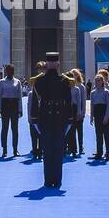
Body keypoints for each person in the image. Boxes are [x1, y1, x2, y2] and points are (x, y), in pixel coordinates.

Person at [32, 52, 73, 188]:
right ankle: (48, 180)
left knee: (58, 151)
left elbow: (68, 102)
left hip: (60, 119)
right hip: (46, 119)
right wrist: (35, 120)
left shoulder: (64, 81)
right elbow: (35, 101)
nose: (52, 64)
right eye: (50, 62)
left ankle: (58, 179)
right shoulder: (39, 81)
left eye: (54, 62)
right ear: (47, 64)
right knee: (48, 151)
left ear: (58, 64)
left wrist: (69, 120)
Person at [0, 64, 23, 156]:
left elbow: (20, 96)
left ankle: (15, 149)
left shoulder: (17, 82)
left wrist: (20, 110)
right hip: (5, 105)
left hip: (14, 105)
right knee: (4, 128)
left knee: (15, 129)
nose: (10, 72)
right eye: (8, 71)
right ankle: (4, 149)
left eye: (12, 71)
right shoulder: (1, 82)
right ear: (6, 71)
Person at [89, 72, 109, 160]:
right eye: (96, 81)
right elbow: (92, 105)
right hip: (97, 114)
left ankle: (108, 152)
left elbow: (108, 105)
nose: (97, 82)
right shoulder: (93, 93)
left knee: (106, 134)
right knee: (98, 135)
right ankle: (99, 152)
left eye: (99, 80)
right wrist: (91, 116)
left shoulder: (106, 92)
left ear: (102, 81)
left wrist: (107, 117)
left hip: (104, 112)